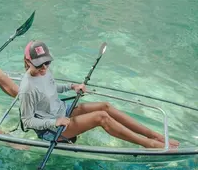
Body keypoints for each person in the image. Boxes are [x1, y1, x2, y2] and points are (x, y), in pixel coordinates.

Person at [18, 40, 179, 149]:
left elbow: (51, 87)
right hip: (52, 128)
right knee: (101, 117)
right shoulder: (27, 88)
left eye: (47, 62)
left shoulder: (44, 71)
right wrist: (55, 121)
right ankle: (150, 145)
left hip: (62, 110)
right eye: (39, 64)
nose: (44, 68)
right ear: (27, 62)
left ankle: (156, 136)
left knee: (105, 106)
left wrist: (71, 86)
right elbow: (28, 121)